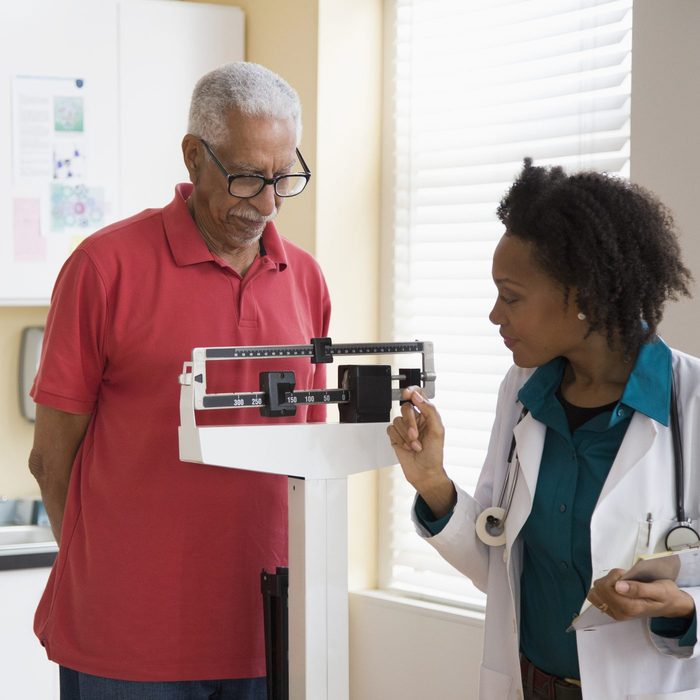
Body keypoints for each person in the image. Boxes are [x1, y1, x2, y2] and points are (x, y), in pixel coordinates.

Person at [28, 62, 330, 700]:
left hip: (265, 632)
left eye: (282, 179)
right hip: (125, 641)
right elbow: (51, 458)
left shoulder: (305, 280)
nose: (268, 204)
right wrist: (108, 573)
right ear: (195, 156)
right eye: (248, 177)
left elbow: (310, 455)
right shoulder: (103, 268)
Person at [388, 159, 700, 699]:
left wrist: (685, 606)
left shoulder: (689, 401)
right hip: (531, 685)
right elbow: (499, 567)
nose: (494, 315)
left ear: (584, 296)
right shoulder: (523, 392)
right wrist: (432, 483)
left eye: (511, 297)